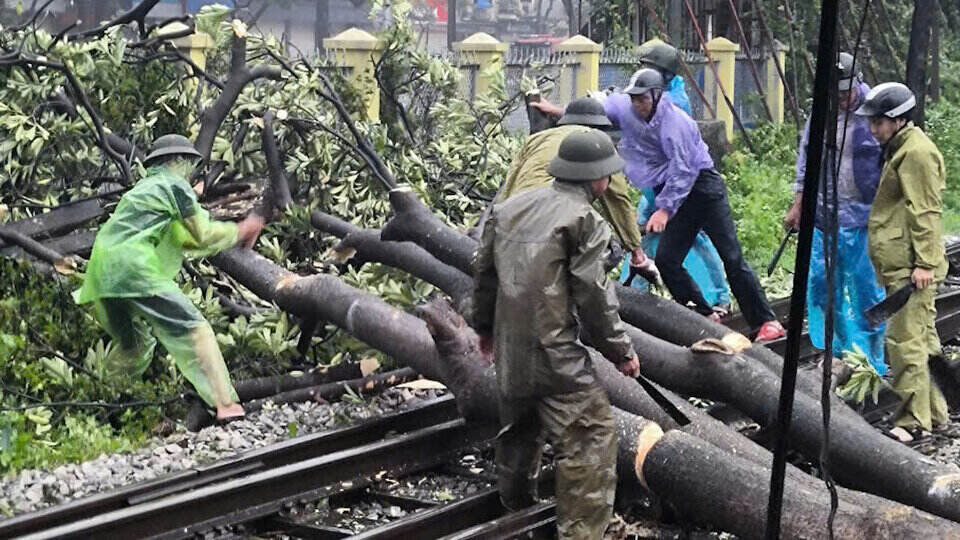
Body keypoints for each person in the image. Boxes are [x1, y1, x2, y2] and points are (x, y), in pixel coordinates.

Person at [470, 129, 640, 539]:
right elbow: (594, 297)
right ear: (597, 179)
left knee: (518, 430)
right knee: (590, 438)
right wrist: (621, 351)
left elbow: (483, 274)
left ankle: (516, 512)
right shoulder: (585, 220)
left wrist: (485, 330)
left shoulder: (509, 208)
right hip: (556, 356)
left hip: (512, 353)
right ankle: (580, 534)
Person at [74, 135, 264, 422]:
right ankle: (226, 405)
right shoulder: (174, 185)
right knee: (195, 328)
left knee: (134, 347)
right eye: (188, 163)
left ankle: (96, 408)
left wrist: (230, 234)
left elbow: (182, 240)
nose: (189, 169)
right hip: (132, 268)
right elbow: (202, 234)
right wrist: (241, 229)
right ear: (178, 161)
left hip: (101, 273)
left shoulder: (144, 190)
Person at [594, 68, 782, 340]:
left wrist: (665, 209)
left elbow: (684, 170)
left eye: (643, 100)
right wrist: (556, 111)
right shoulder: (630, 110)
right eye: (634, 99)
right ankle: (703, 313)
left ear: (657, 96)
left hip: (703, 191)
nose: (638, 105)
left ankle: (766, 322)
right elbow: (604, 106)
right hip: (675, 194)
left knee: (731, 257)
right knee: (668, 260)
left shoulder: (675, 122)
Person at [854, 83, 951, 442]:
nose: (873, 129)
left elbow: (924, 211)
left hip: (912, 268)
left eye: (878, 122)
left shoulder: (916, 153)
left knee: (903, 342)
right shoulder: (902, 148)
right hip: (904, 264)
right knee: (923, 341)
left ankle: (912, 421)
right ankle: (935, 413)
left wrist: (924, 263)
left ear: (898, 120)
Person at [785, 52, 886, 374]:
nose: (843, 99)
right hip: (826, 212)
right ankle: (837, 348)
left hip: (865, 216)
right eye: (836, 93)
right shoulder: (822, 112)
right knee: (819, 283)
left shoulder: (877, 111)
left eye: (846, 92)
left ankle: (870, 356)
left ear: (857, 82)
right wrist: (799, 201)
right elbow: (806, 156)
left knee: (865, 287)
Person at [499, 96, 660, 283]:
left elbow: (511, 179)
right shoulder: (598, 144)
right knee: (607, 246)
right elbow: (618, 200)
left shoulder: (536, 140)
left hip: (512, 218)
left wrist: (502, 219)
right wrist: (637, 253)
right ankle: (577, 291)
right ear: (599, 126)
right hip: (552, 223)